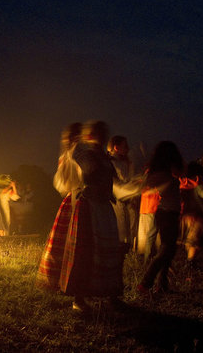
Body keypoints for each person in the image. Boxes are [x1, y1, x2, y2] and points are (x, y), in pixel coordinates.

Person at [70, 121, 125, 310]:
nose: (101, 136)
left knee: (109, 250)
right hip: (90, 206)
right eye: (97, 132)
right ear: (89, 136)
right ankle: (79, 298)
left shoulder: (104, 157)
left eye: (104, 132)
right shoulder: (84, 154)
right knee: (88, 251)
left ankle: (110, 293)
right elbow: (87, 170)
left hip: (104, 206)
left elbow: (113, 179)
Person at [36, 123, 85, 304]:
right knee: (71, 244)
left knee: (67, 244)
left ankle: (64, 282)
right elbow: (62, 183)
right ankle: (65, 282)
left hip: (74, 199)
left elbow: (60, 184)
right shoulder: (73, 155)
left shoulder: (70, 155)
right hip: (77, 199)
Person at [137, 141, 184, 294]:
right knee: (166, 249)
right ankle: (146, 283)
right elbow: (145, 186)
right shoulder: (161, 174)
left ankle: (162, 285)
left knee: (168, 249)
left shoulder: (168, 172)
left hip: (169, 212)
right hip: (166, 213)